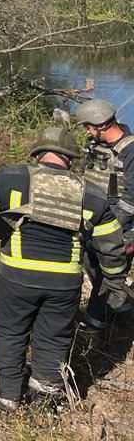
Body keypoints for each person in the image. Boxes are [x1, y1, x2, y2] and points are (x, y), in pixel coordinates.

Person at [0, 127, 128, 409]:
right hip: (65, 283)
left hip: (17, 277)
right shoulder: (91, 194)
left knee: (11, 334)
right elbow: (111, 246)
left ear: (37, 153)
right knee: (54, 338)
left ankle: (6, 399)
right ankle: (45, 400)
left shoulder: (11, 177)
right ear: (71, 159)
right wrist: (116, 283)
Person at [76, 98, 134, 329]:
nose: (87, 132)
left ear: (101, 125)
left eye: (88, 127)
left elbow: (132, 197)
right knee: (92, 265)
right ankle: (121, 306)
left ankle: (95, 326)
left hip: (122, 226)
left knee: (109, 273)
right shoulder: (94, 145)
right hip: (93, 220)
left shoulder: (130, 151)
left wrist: (114, 226)